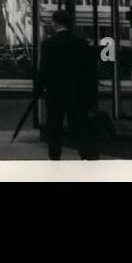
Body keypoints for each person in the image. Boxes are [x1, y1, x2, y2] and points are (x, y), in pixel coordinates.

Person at [34, 9, 100, 160]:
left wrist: (37, 90)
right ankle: (89, 158)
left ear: (55, 23)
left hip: (56, 92)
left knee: (54, 129)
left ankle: (55, 159)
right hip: (77, 93)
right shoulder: (81, 43)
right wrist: (91, 95)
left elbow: (43, 70)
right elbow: (90, 71)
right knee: (80, 128)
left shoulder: (49, 44)